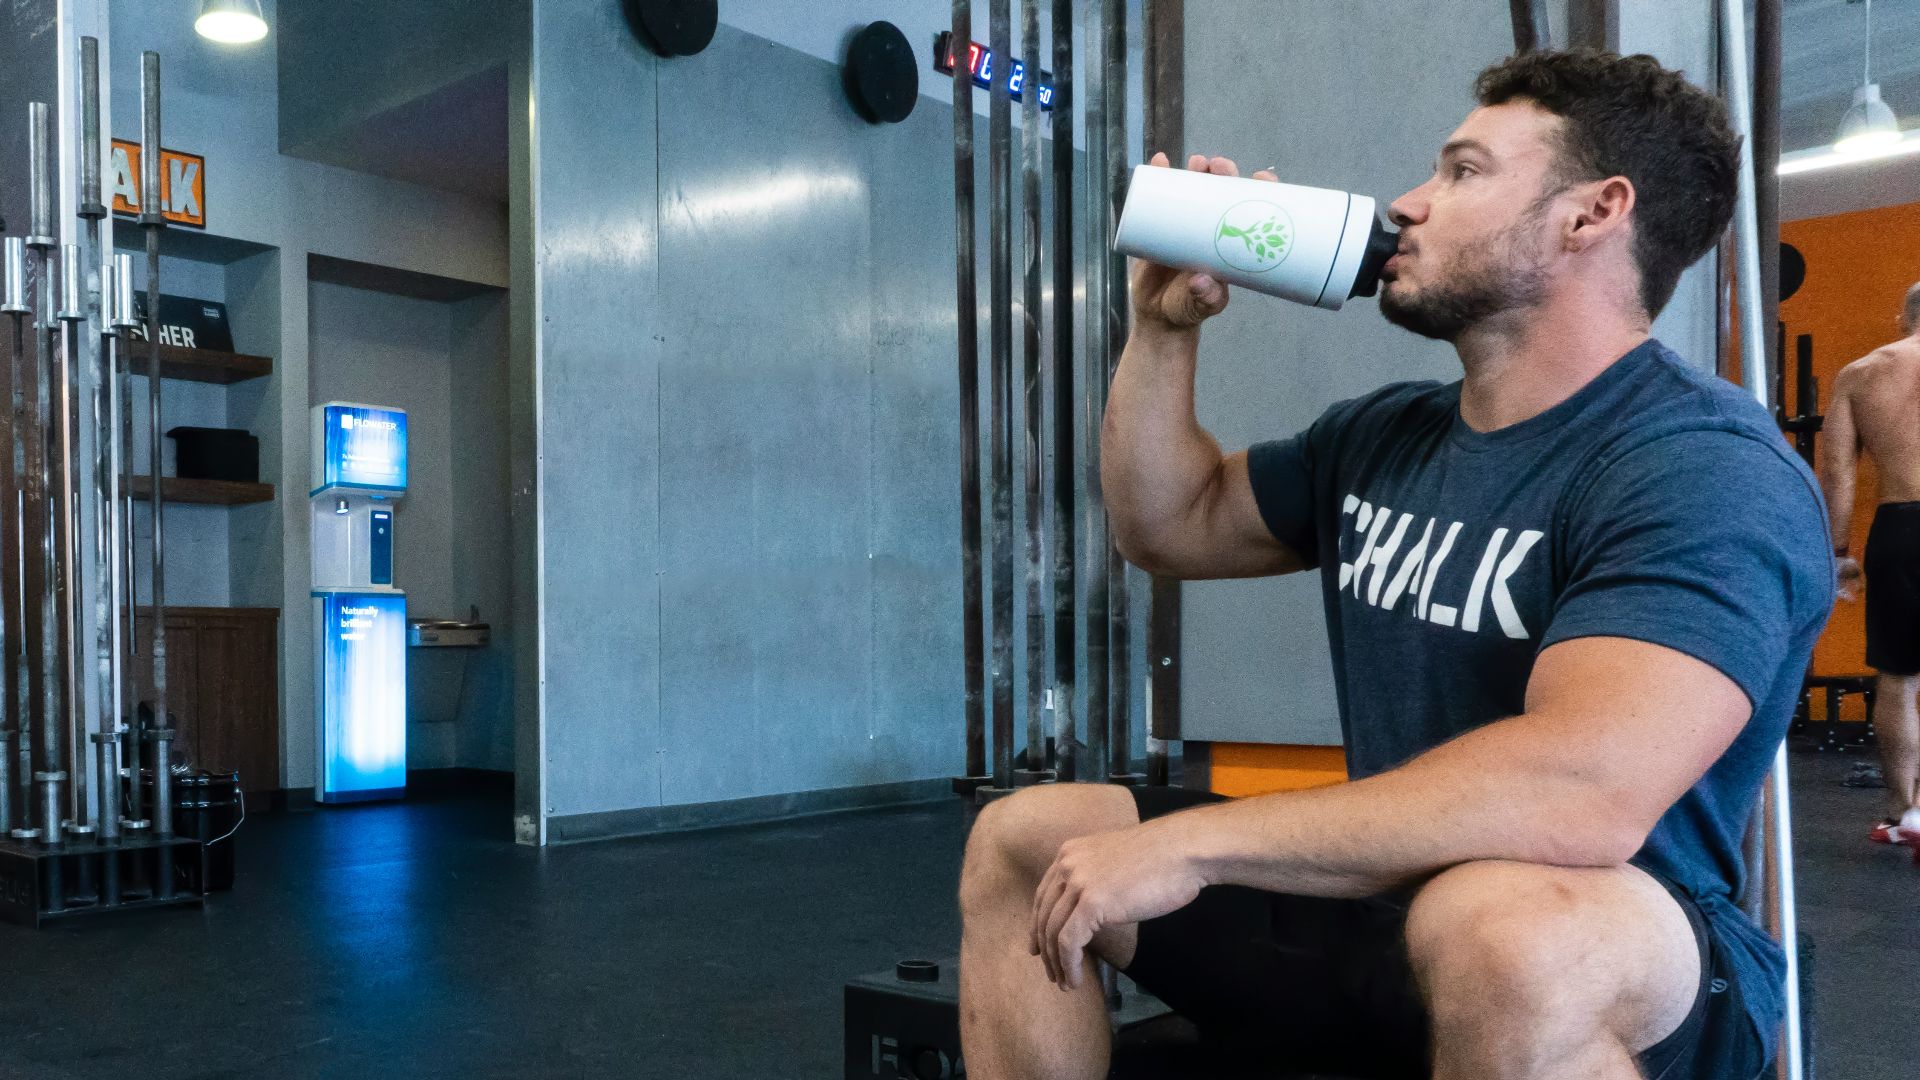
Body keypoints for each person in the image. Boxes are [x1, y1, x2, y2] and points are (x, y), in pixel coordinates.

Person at [957, 49, 1832, 1080]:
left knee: (1501, 928)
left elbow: (1581, 790)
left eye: (1463, 172)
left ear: (1592, 215)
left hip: (1617, 951)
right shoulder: (1387, 436)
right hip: (1393, 910)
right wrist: (1163, 328)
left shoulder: (1701, 469)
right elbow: (1168, 523)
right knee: (1029, 838)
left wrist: (1188, 846)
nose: (1410, 204)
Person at [1816, 283, 1920, 849]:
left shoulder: (1861, 373)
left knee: (1899, 678)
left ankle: (1906, 812)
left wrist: (1838, 553)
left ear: (1905, 316)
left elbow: (1839, 475)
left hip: (1902, 528)